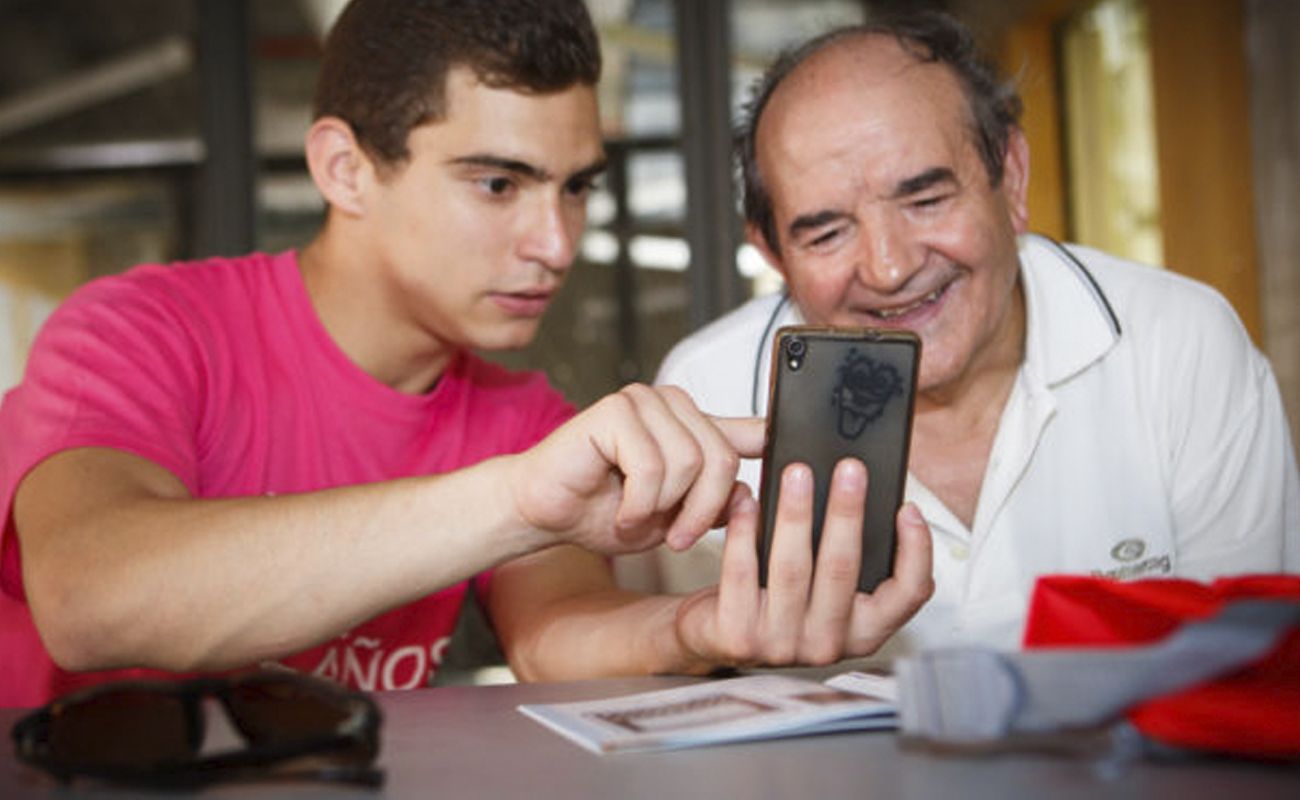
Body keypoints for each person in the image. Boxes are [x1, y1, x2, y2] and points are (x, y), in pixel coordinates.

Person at [0, 0, 934, 707]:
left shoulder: (521, 415)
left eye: (574, 189)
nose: (557, 243)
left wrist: (700, 627)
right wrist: (512, 499)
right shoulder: (139, 330)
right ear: (344, 169)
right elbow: (91, 598)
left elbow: (554, 633)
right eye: (498, 183)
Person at [648, 11, 1299, 654]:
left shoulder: (1178, 344)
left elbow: (1247, 668)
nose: (890, 266)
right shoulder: (706, 392)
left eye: (927, 201)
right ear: (772, 255)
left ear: (1010, 176)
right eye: (826, 233)